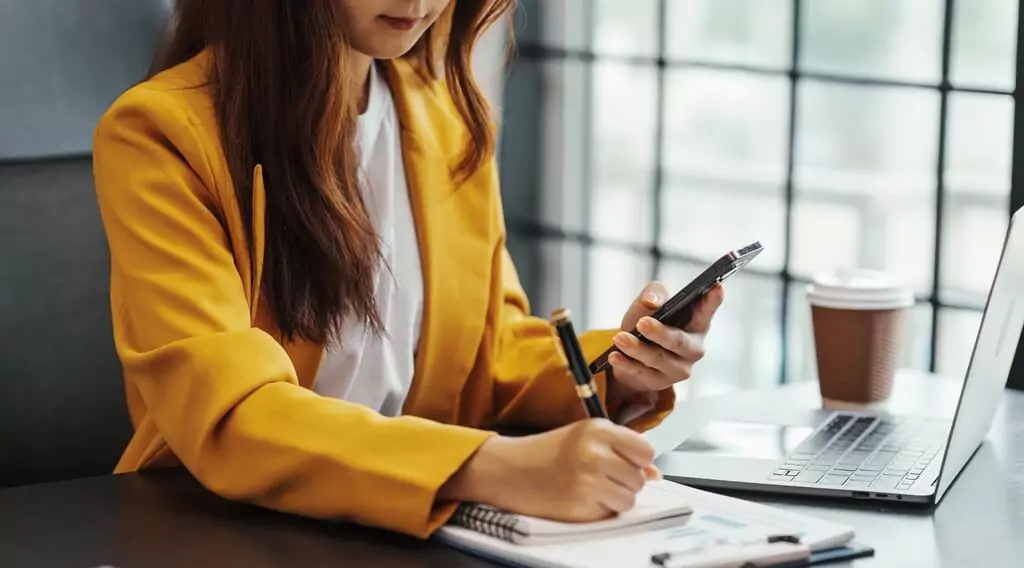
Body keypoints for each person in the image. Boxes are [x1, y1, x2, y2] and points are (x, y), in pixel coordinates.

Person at [92, 0, 725, 539]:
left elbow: (488, 353)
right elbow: (233, 416)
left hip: (403, 531)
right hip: (229, 530)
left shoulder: (442, 119)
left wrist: (618, 370)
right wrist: (494, 466)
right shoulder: (162, 134)